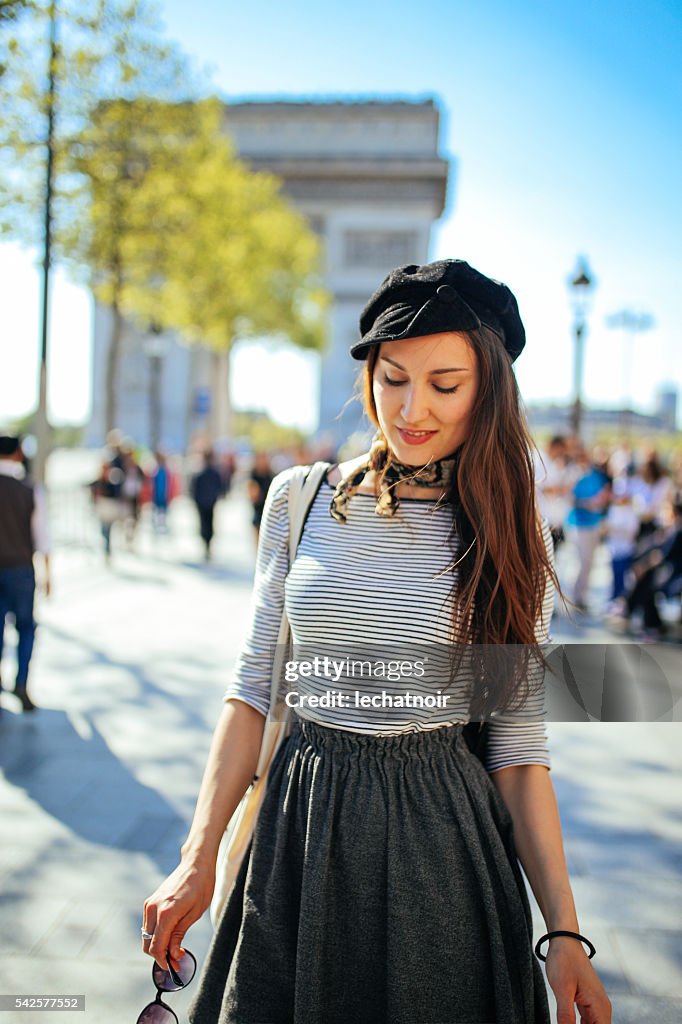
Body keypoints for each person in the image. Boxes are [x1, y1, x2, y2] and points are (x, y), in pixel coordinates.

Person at [141, 260, 611, 1024]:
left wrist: (563, 929)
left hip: (441, 845)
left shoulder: (511, 530)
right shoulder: (300, 500)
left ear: (488, 389)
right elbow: (254, 687)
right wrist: (197, 861)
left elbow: (518, 748)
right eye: (393, 378)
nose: (411, 408)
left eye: (444, 383)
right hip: (295, 827)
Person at [0, 435, 51, 713]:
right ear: (18, 453)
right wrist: (48, 574)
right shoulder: (29, 489)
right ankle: (21, 683)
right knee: (25, 628)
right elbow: (42, 536)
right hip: (20, 568)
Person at [565, 445, 611, 613]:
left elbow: (606, 494)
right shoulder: (575, 476)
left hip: (594, 524)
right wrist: (587, 503)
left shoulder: (596, 475)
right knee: (582, 561)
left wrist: (602, 501)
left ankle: (581, 596)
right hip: (579, 524)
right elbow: (570, 498)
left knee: (590, 562)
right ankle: (575, 596)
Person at [191, 450, 223, 561]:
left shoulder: (204, 473)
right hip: (208, 502)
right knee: (207, 523)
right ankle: (207, 544)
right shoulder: (208, 473)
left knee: (205, 524)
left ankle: (207, 544)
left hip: (205, 502)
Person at [246, 450, 274, 545]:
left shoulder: (270, 474)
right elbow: (250, 491)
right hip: (258, 508)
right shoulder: (253, 474)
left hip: (269, 508)